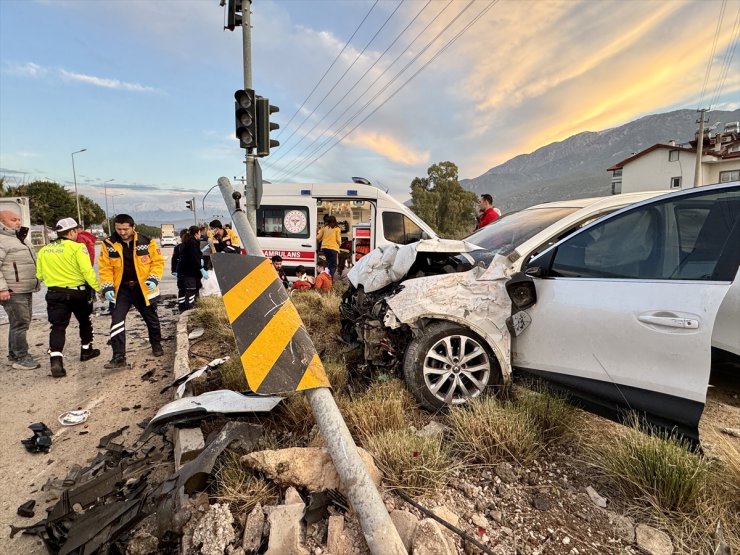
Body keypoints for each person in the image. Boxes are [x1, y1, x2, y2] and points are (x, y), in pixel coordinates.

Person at [35, 218, 101, 378]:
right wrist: (98, 288)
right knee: (85, 321)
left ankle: (56, 359)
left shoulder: (44, 250)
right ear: (71, 232)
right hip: (77, 293)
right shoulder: (78, 248)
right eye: (76, 231)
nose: (78, 233)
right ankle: (86, 350)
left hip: (54, 293)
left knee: (57, 327)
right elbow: (87, 271)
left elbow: (40, 274)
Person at [98, 214, 165, 368]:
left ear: (133, 227)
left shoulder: (146, 241)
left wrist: (153, 279)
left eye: (125, 229)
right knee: (117, 321)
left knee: (151, 319)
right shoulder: (109, 244)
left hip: (142, 288)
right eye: (119, 229)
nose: (122, 232)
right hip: (121, 290)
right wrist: (108, 287)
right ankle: (118, 356)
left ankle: (156, 345)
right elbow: (105, 268)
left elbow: (157, 262)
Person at [0, 209, 40, 370]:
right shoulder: (2, 240)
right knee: (21, 323)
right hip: (13, 289)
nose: (18, 222)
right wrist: (2, 289)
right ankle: (21, 357)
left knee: (18, 322)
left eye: (18, 219)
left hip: (24, 287)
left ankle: (14, 354)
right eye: (13, 220)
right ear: (2, 222)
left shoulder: (19, 237)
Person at [176, 226, 209, 312]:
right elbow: (194, 257)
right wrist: (201, 268)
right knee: (191, 291)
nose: (200, 235)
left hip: (182, 271)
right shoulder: (193, 242)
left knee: (182, 291)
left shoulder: (186, 241)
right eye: (199, 233)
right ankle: (189, 311)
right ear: (196, 233)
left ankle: (182, 309)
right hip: (189, 272)